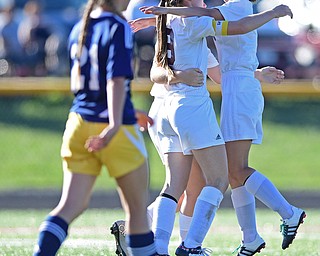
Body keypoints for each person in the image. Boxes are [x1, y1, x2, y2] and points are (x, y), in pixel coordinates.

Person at [140, 1, 306, 255]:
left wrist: (161, 16)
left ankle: (160, 246)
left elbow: (200, 18)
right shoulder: (196, 23)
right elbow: (234, 26)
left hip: (171, 108)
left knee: (186, 184)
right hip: (194, 105)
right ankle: (193, 244)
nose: (205, 0)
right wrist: (274, 13)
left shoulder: (171, 24)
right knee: (222, 176)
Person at [32, 1, 157, 256]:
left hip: (78, 123)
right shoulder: (118, 25)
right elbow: (115, 79)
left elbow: (88, 86)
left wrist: (126, 112)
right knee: (136, 211)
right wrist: (115, 123)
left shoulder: (81, 25)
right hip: (113, 128)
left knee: (68, 207)